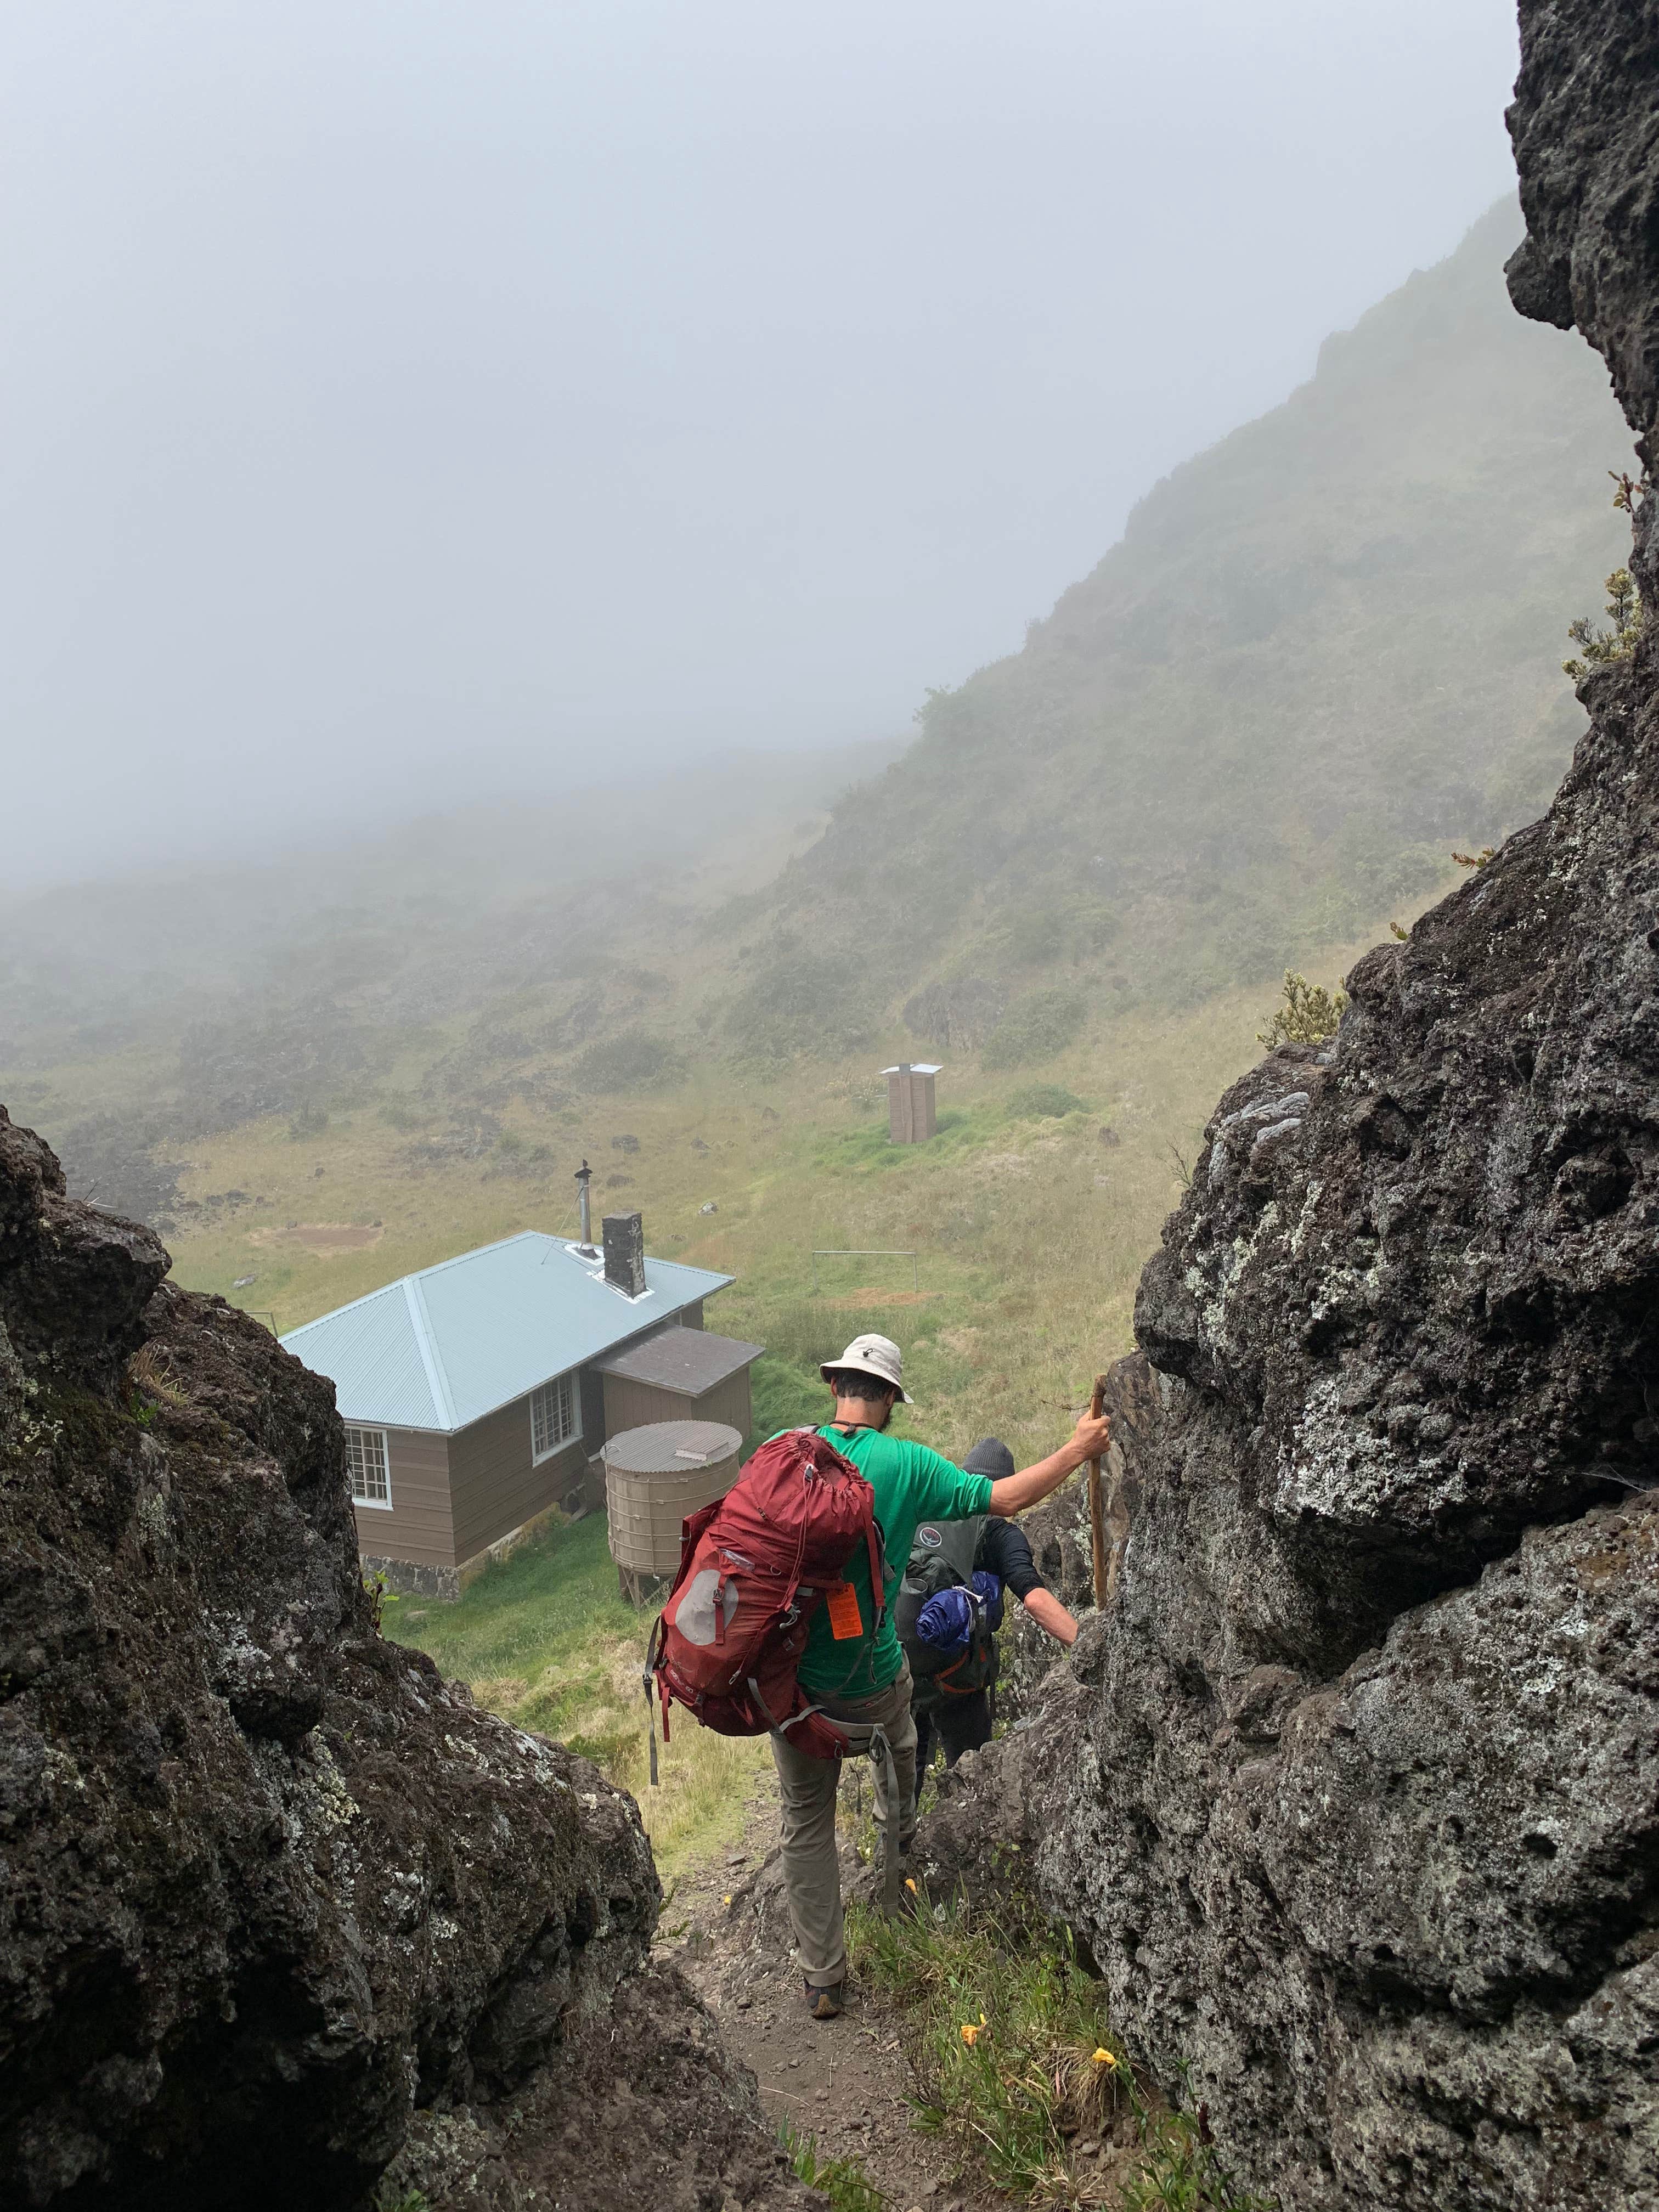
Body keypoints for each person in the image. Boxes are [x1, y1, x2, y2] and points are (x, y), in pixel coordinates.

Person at [771, 1331, 1111, 2021]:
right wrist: (1078, 1449)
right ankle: (896, 1893)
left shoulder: (782, 1447)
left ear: (836, 1387)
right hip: (876, 1677)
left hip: (791, 1683)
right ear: (891, 1399)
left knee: (804, 1820)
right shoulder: (910, 1468)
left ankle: (823, 1977)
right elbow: (1008, 1500)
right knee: (899, 1762)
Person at [904, 1436, 1079, 1804]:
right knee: (971, 1770)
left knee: (907, 1773)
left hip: (903, 1665)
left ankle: (898, 1851)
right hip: (957, 1680)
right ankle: (965, 1822)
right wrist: (1087, 1644)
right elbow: (1034, 1598)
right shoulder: (1002, 1534)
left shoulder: (928, 1509)